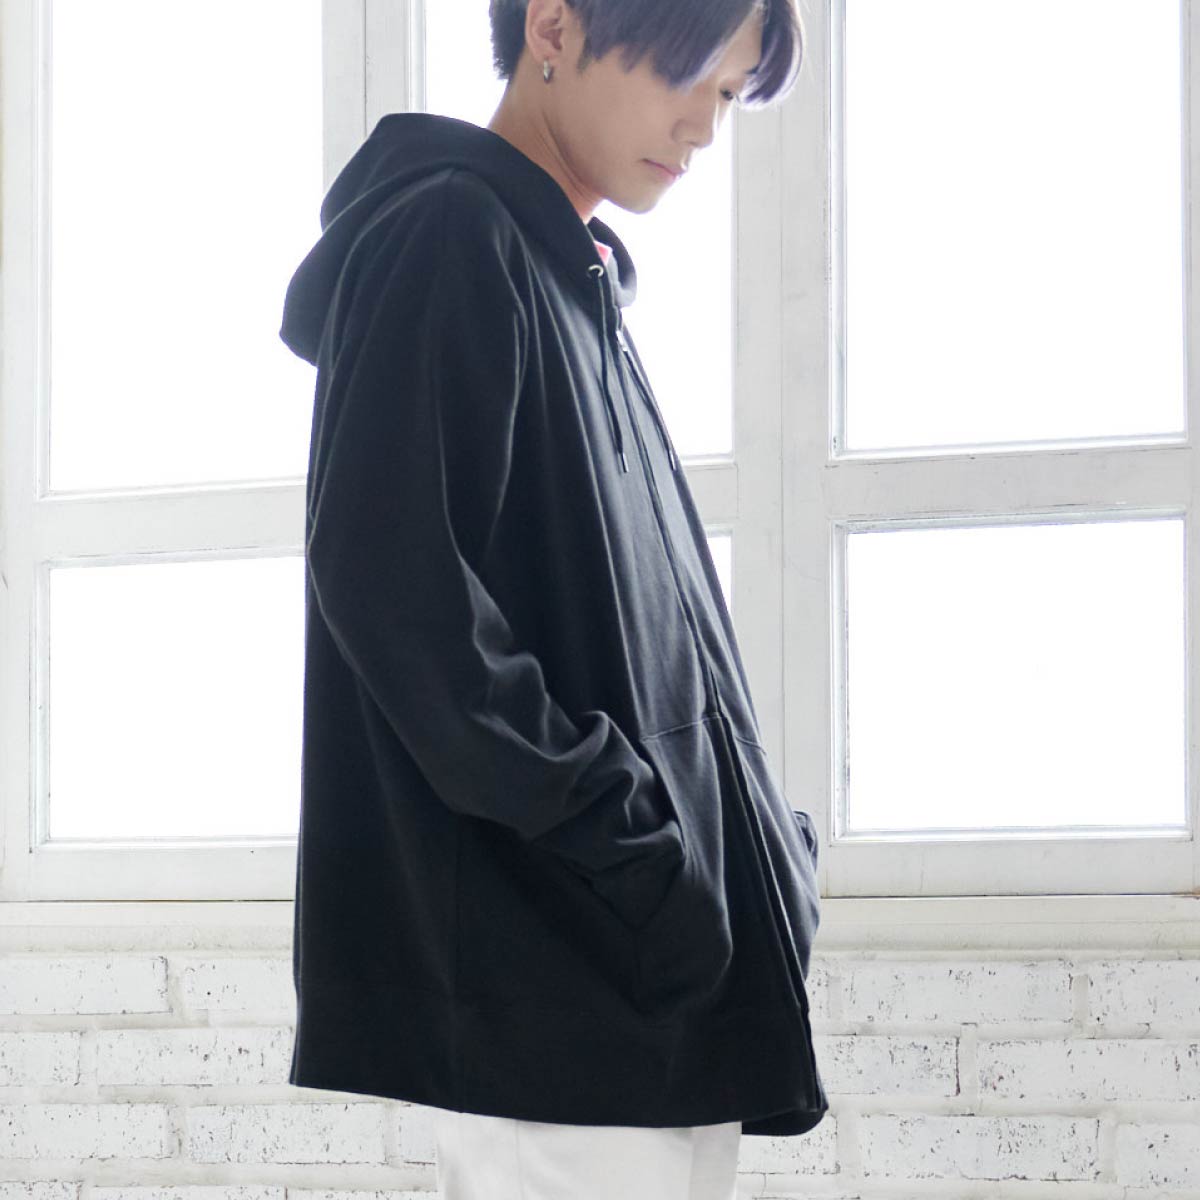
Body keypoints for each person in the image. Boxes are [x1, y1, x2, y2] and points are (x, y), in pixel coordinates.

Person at [278, 0, 826, 1195]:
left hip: (639, 985)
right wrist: (632, 843)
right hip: (554, 986)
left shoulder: (572, 277)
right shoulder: (449, 238)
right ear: (555, 27)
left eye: (729, 96)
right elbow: (397, 594)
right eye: (688, 74)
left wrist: (755, 850)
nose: (703, 129)